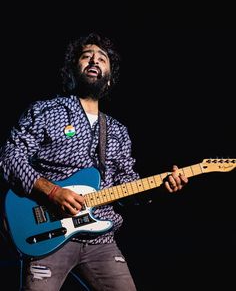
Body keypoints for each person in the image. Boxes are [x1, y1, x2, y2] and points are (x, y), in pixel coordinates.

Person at [0, 32, 188, 291]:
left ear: (109, 80)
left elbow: (127, 186)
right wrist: (52, 192)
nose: (94, 61)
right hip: (48, 235)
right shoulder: (44, 111)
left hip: (102, 240)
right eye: (86, 56)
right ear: (71, 72)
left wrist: (160, 186)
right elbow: (11, 156)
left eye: (102, 59)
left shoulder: (118, 131)